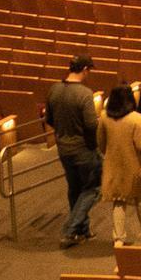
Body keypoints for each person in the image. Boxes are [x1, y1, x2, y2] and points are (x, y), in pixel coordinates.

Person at [44, 55, 101, 248]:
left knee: (75, 189)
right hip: (83, 148)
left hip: (63, 148)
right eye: (89, 70)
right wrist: (94, 145)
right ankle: (70, 230)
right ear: (84, 69)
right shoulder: (84, 94)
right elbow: (91, 124)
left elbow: (49, 119)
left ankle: (82, 231)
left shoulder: (54, 89)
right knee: (93, 189)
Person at [97, 85, 141, 246]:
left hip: (113, 164)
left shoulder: (103, 117)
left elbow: (101, 143)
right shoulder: (136, 117)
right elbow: (140, 143)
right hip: (135, 164)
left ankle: (119, 237)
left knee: (119, 200)